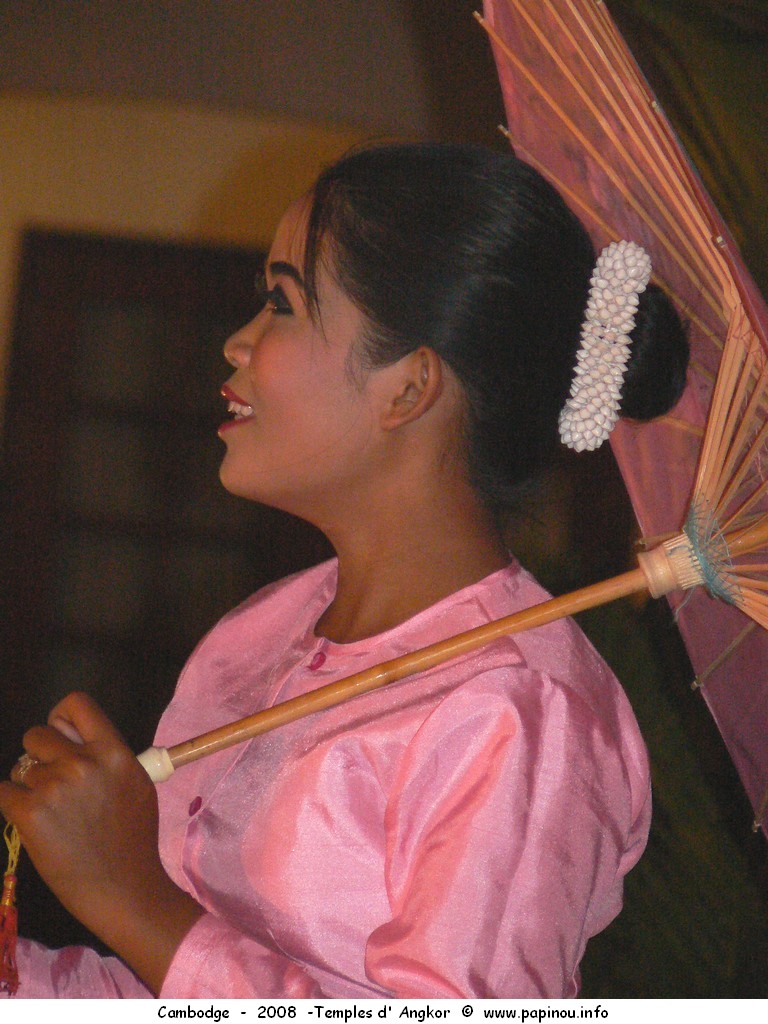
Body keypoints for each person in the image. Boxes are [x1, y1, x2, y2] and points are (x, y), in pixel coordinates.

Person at [0, 143, 688, 999]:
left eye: (282, 304)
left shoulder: (521, 713)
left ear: (409, 388)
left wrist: (128, 898)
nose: (239, 341)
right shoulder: (261, 631)